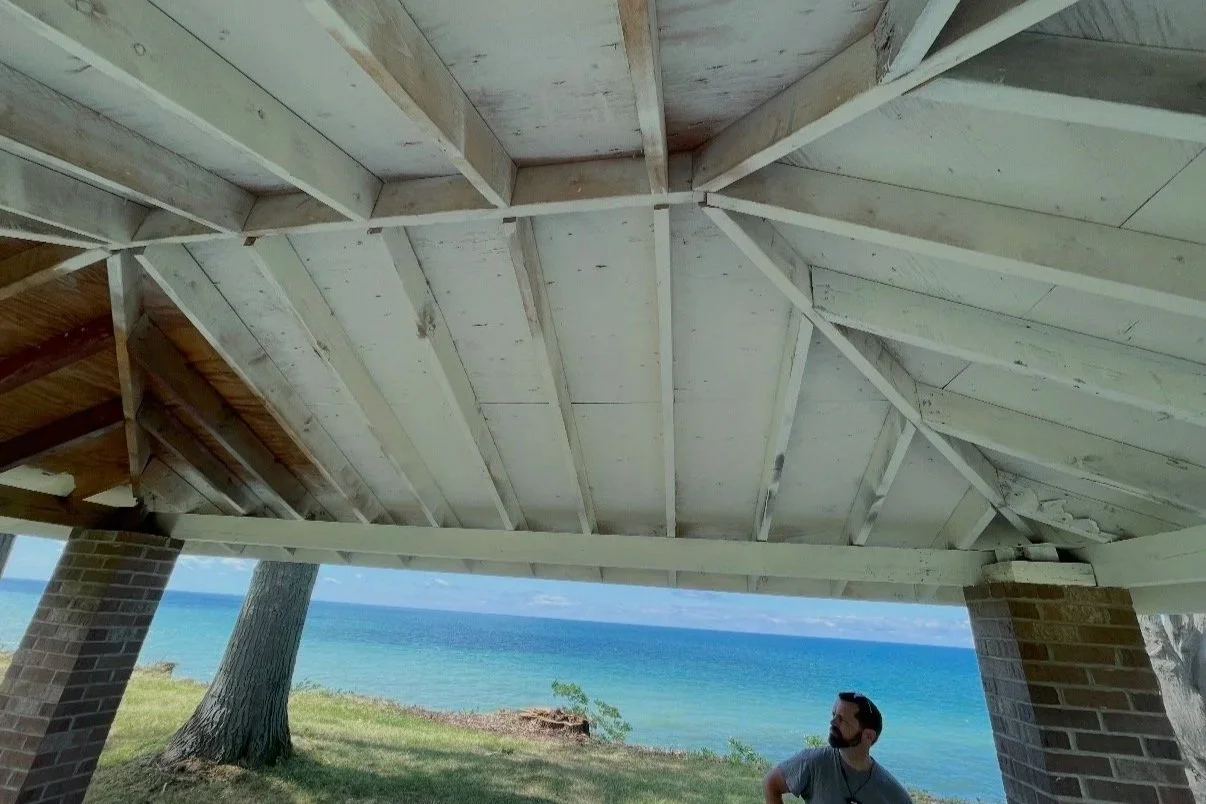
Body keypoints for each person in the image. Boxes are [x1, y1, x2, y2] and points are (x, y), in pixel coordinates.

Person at [762, 692, 913, 803]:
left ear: (868, 736)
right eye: (834, 715)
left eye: (842, 720)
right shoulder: (814, 762)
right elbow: (771, 783)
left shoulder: (892, 794)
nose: (832, 722)